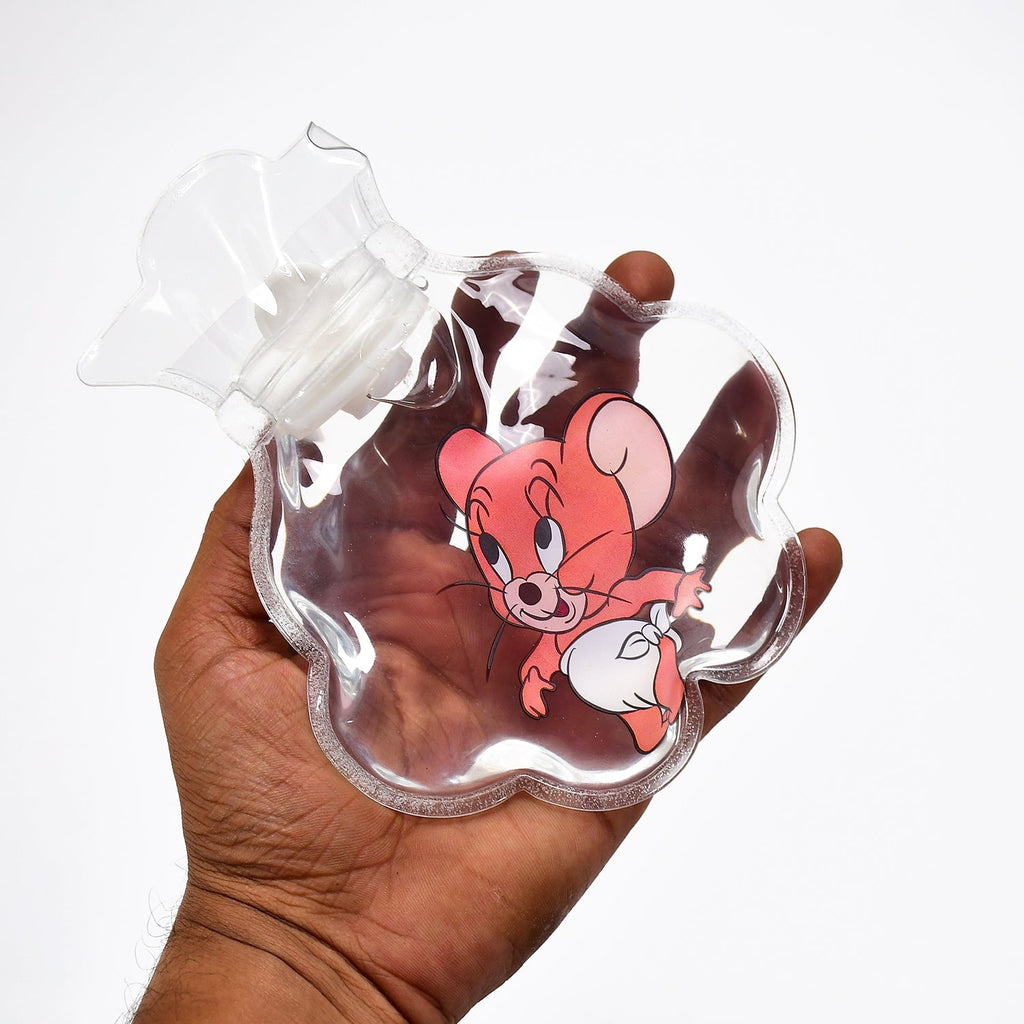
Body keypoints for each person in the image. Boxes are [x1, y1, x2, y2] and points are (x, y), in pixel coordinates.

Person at [134, 251, 842, 1023]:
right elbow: (551, 639)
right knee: (621, 684)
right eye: (498, 560)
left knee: (641, 683)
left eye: (542, 540)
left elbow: (636, 590)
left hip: (630, 654)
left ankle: (645, 710)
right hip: (591, 675)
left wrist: (672, 587)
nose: (520, 583)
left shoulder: (614, 568)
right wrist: (281, 929)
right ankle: (642, 709)